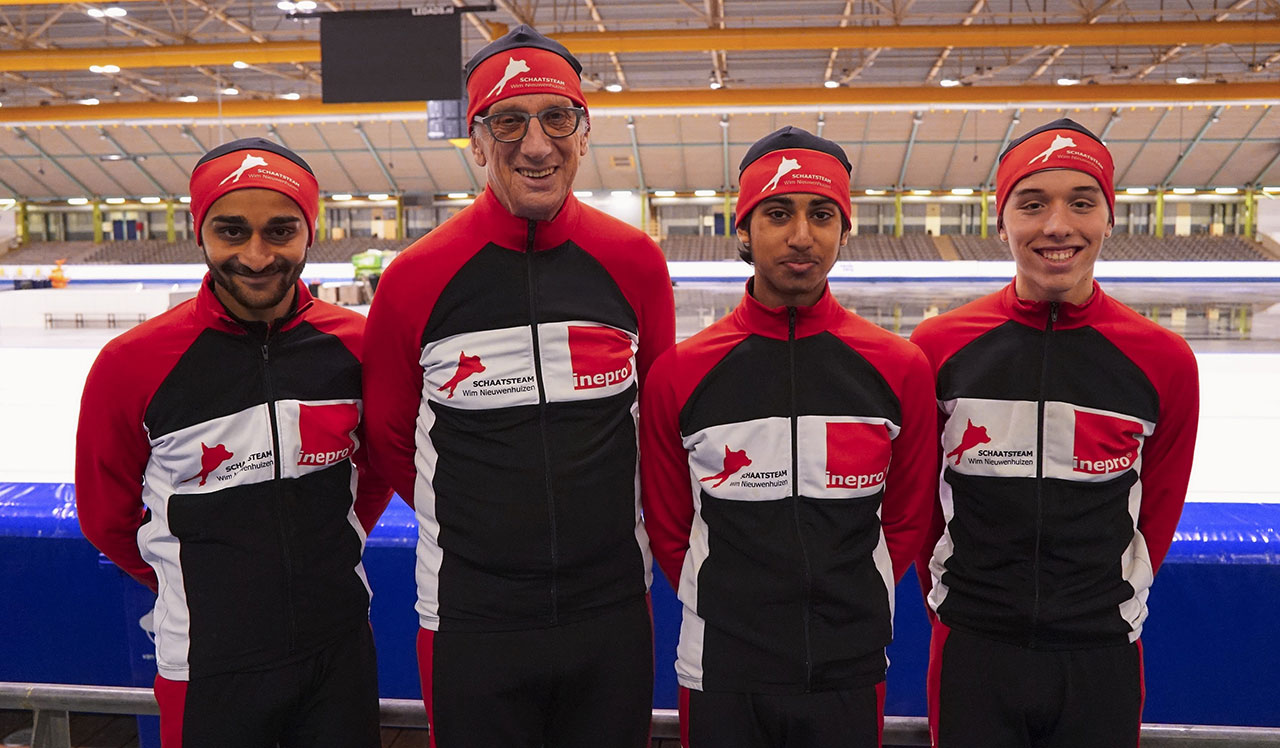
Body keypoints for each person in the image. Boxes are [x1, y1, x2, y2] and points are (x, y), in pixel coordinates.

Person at [361, 25, 676, 748]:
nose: (537, 146)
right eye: (508, 122)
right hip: (473, 619)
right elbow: (390, 439)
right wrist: (485, 529)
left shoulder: (634, 262)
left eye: (557, 118)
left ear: (583, 133)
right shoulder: (414, 279)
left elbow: (659, 424)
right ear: (476, 142)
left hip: (611, 610)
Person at [75, 137, 392, 748]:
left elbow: (375, 472)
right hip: (207, 664)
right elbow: (105, 518)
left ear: (309, 232)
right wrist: (197, 585)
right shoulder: (131, 364)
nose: (256, 255)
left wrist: (332, 549)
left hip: (339, 649)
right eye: (231, 231)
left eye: (280, 231)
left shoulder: (357, 345)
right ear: (200, 234)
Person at [640, 126, 936, 748]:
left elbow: (908, 516)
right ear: (744, 229)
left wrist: (856, 598)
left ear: (843, 230)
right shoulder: (680, 373)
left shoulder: (898, 367)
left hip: (849, 665)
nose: (802, 235)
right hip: (721, 666)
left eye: (822, 215)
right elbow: (670, 527)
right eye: (778, 213)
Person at [910, 118, 1200, 748]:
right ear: (1001, 221)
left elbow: (1158, 512)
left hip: (1100, 652)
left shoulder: (1163, 360)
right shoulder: (938, 349)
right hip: (972, 647)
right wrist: (953, 601)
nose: (1058, 225)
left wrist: (1108, 606)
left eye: (1082, 202)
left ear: (1110, 217)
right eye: (1033, 203)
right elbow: (921, 504)